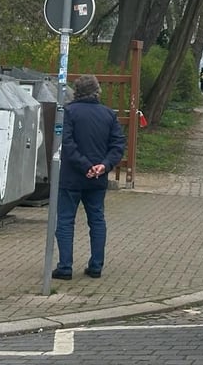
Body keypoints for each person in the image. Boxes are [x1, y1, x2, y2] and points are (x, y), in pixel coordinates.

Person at [52, 74, 126, 281]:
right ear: (97, 91)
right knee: (97, 220)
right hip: (97, 179)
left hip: (71, 177)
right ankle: (96, 266)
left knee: (66, 221)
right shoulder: (108, 114)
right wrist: (103, 166)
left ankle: (65, 267)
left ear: (76, 91)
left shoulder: (68, 112)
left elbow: (66, 144)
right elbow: (118, 144)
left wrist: (85, 165)